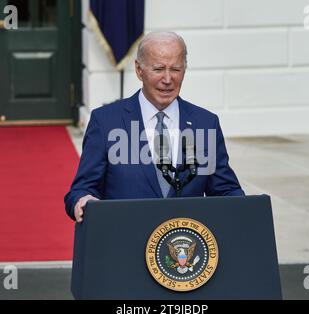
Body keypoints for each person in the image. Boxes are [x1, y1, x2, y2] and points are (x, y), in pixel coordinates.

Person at [64, 31, 244, 223]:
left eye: (176, 69)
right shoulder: (106, 122)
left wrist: (245, 208)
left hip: (183, 246)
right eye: (158, 69)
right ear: (139, 70)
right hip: (124, 243)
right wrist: (81, 201)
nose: (168, 79)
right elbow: (82, 189)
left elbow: (225, 189)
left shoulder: (206, 123)